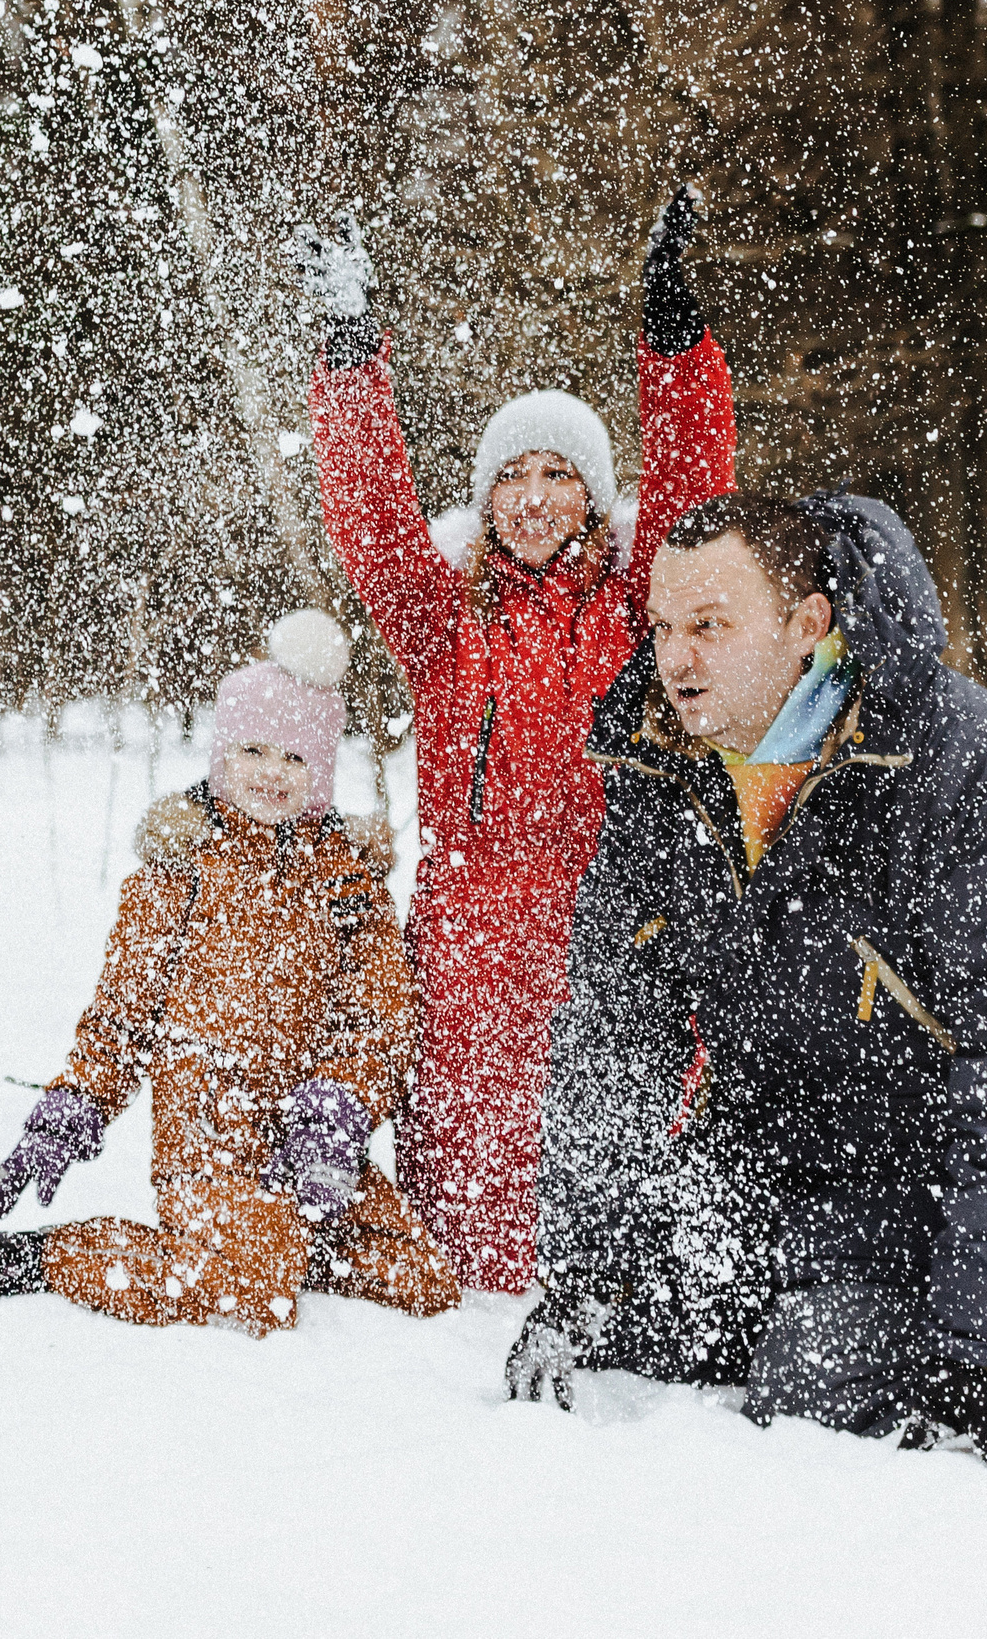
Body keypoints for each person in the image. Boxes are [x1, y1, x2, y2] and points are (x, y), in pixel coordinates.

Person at [507, 487, 987, 1474]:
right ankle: (834, 1296)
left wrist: (982, 1353)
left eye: (710, 626)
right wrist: (582, 1276)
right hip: (763, 1160)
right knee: (642, 1325)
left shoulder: (980, 784)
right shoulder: (663, 771)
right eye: (660, 626)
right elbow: (614, 1037)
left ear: (806, 623)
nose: (675, 658)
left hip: (927, 1181)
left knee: (818, 1385)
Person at [288, 188, 735, 1292]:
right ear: (486, 499)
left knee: (607, 1211)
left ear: (593, 494)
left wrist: (673, 342)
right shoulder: (444, 617)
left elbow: (694, 484)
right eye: (511, 478)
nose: (532, 498)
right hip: (469, 945)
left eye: (557, 474)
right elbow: (371, 519)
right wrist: (349, 358)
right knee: (468, 1240)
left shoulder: (642, 601)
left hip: (612, 928)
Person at [0, 611, 459, 1334]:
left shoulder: (347, 880)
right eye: (254, 750)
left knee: (423, 1278)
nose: (273, 773)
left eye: (295, 757)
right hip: (206, 1135)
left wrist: (339, 1106)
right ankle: (51, 1258)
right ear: (224, 752)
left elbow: (379, 1016)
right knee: (256, 1296)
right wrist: (78, 1101)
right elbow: (124, 1013)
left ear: (320, 769)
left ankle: (277, 1241)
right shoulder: (179, 869)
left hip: (302, 1133)